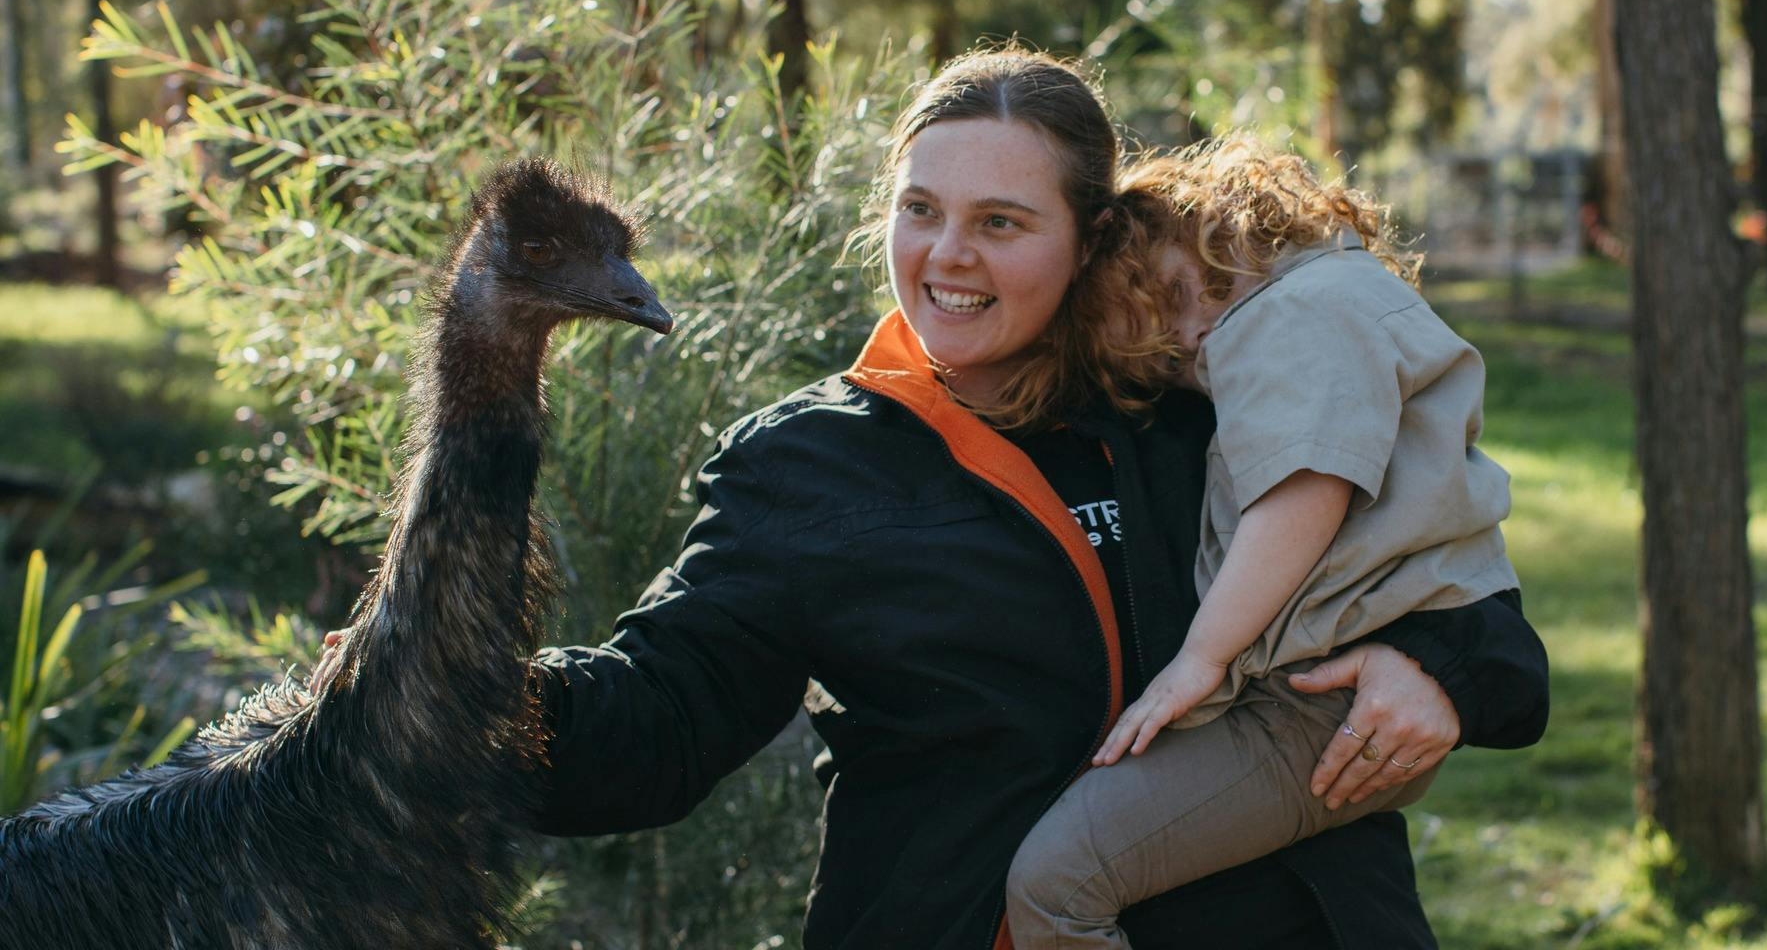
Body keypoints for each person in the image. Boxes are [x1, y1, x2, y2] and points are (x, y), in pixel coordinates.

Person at [317, 48, 1548, 949]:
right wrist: (456, 699)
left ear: (1088, 237)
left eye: (1001, 222)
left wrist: (1440, 667)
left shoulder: (1195, 401)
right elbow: (666, 720)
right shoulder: (808, 466)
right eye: (921, 212)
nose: (947, 257)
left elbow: (1439, 554)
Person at [1003, 139, 1523, 949]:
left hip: (1313, 708)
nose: (1196, 335)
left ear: (1220, 225)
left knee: (1058, 883)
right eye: (1167, 355)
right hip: (1334, 695)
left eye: (1179, 293)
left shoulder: (1293, 311)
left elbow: (1303, 495)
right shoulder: (1334, 299)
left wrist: (1201, 660)